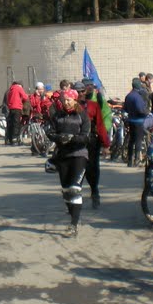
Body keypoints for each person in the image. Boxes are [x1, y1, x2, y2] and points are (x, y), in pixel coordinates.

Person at [46, 89, 90, 237]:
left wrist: (72, 138)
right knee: (66, 191)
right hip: (62, 156)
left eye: (69, 100)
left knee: (74, 189)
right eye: (64, 100)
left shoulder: (82, 115)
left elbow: (86, 137)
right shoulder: (57, 115)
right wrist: (59, 138)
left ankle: (74, 224)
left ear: (75, 100)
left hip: (79, 155)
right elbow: (50, 132)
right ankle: (72, 214)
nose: (66, 102)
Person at [83, 83, 111, 207]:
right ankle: (74, 198)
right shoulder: (72, 104)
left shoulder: (97, 101)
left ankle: (94, 190)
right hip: (82, 141)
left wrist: (105, 143)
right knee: (84, 167)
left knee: (91, 167)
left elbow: (102, 122)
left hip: (92, 140)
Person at [124, 78, 150, 166]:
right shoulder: (138, 97)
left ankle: (129, 160)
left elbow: (125, 108)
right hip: (139, 121)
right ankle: (137, 159)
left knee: (131, 140)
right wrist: (146, 113)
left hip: (131, 119)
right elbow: (140, 110)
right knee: (138, 140)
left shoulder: (128, 95)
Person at [3, 80, 28, 146]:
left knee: (11, 124)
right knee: (16, 124)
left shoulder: (10, 89)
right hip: (17, 108)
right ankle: (15, 140)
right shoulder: (18, 88)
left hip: (10, 108)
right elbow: (25, 97)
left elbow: (8, 99)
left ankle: (10, 139)